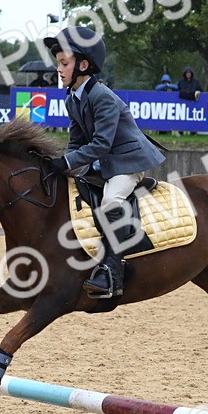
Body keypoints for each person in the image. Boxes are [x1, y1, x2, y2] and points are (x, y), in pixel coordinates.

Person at [42, 25, 165, 299]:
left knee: (110, 202)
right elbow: (76, 143)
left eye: (64, 63)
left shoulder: (102, 97)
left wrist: (66, 162)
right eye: (58, 63)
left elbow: (100, 145)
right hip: (103, 161)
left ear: (83, 65)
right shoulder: (72, 98)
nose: (58, 69)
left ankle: (113, 270)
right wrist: (62, 166)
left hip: (127, 161)